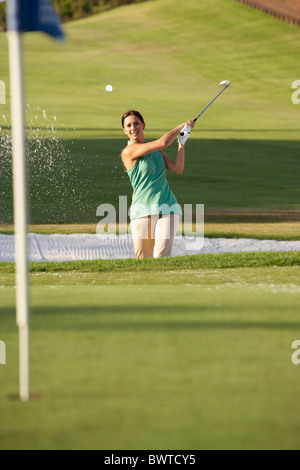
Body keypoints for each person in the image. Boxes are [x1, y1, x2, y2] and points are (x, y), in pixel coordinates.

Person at [121, 110, 194, 259]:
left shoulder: (156, 151)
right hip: (141, 211)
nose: (133, 127)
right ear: (124, 130)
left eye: (136, 123)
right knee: (143, 260)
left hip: (168, 207)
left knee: (161, 257)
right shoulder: (128, 151)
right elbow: (163, 142)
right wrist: (180, 126)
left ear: (143, 125)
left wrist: (181, 144)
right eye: (128, 125)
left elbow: (177, 168)